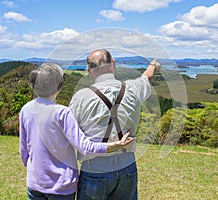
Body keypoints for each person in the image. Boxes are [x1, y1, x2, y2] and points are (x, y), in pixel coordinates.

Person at [19, 63, 134, 200]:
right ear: (59, 86)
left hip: (35, 183)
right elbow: (86, 148)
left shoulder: (26, 109)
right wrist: (117, 145)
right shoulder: (62, 113)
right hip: (61, 186)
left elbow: (24, 151)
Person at [69, 49, 161, 200]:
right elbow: (147, 77)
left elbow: (68, 132)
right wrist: (153, 64)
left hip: (94, 169)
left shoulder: (81, 97)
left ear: (88, 70)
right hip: (128, 167)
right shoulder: (133, 88)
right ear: (113, 63)